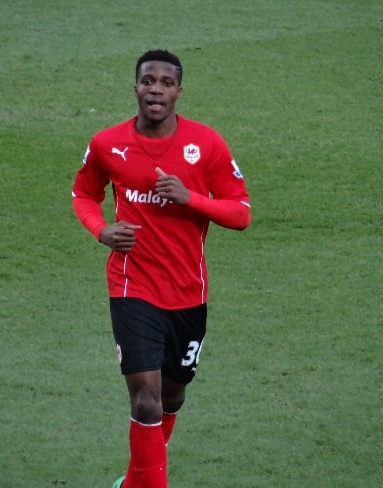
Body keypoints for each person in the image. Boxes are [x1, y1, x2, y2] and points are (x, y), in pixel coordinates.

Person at [71, 49, 251, 488]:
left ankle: (134, 481)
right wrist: (102, 231)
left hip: (189, 292)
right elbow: (83, 194)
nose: (156, 89)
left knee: (172, 395)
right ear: (135, 87)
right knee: (146, 400)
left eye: (166, 83)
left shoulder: (206, 144)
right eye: (148, 81)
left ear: (178, 92)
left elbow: (241, 213)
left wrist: (191, 198)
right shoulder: (107, 143)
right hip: (132, 287)